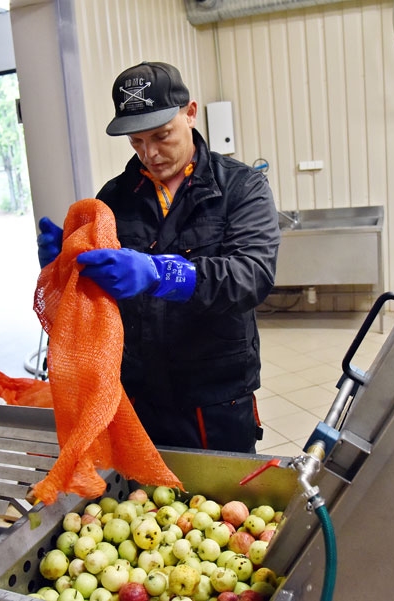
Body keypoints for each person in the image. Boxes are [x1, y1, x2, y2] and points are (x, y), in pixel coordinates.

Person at [37, 61, 280, 453]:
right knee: (143, 503)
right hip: (138, 392)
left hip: (215, 393)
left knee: (220, 503)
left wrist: (160, 273)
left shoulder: (241, 187)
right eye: (136, 141)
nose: (150, 153)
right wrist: (65, 267)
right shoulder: (113, 199)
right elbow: (96, 302)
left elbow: (250, 276)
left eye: (161, 135)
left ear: (190, 112)